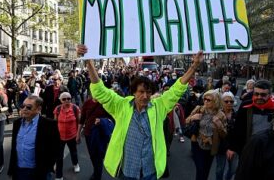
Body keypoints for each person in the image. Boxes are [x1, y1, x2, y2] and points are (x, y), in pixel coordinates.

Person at [77, 44, 203, 180]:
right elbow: (100, 90)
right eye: (141, 92)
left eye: (149, 92)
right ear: (133, 92)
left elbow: (177, 89)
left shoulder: (158, 106)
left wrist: (194, 66)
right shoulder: (121, 106)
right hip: (127, 172)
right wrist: (88, 61)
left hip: (150, 173)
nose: (145, 96)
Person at [8, 96, 61, 180]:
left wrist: (50, 166)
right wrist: (11, 169)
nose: (24, 109)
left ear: (38, 109)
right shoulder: (17, 123)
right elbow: (14, 148)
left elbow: (56, 148)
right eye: (23, 106)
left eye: (29, 107)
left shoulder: (49, 125)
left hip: (39, 171)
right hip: (18, 170)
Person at [226, 80, 274, 162]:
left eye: (263, 95)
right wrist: (232, 147)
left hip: (269, 150)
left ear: (270, 95)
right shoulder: (246, 106)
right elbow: (237, 127)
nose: (259, 97)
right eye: (256, 94)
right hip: (248, 148)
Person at [186, 90, 227, 180]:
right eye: (204, 99)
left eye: (209, 100)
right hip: (197, 143)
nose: (205, 101)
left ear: (216, 101)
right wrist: (192, 118)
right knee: (200, 169)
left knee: (206, 170)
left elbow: (224, 135)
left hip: (211, 146)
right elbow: (186, 121)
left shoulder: (221, 115)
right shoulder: (199, 109)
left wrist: (219, 125)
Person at [77, 90, 113, 180]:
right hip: (88, 133)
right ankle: (96, 172)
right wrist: (78, 135)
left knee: (98, 157)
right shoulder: (87, 103)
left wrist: (102, 121)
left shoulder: (106, 103)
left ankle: (97, 176)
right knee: (92, 155)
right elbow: (82, 120)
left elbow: (112, 119)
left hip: (101, 135)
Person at [54, 92, 81, 180]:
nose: (67, 101)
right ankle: (59, 175)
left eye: (68, 98)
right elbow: (55, 123)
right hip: (59, 137)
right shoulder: (57, 109)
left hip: (72, 135)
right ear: (60, 100)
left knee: (73, 152)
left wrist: (78, 135)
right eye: (64, 99)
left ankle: (75, 164)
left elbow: (79, 122)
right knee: (59, 156)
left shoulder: (75, 108)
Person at [215, 92, 237, 180]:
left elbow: (238, 133)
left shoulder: (237, 115)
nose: (229, 103)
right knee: (220, 169)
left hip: (233, 147)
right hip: (221, 147)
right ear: (222, 102)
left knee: (233, 169)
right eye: (226, 101)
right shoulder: (217, 115)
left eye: (231, 101)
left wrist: (232, 148)